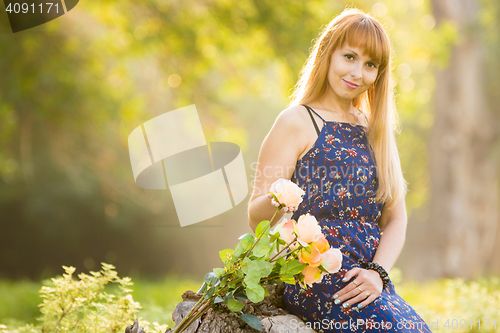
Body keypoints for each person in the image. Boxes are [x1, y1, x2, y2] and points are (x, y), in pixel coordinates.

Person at [247, 6, 432, 333]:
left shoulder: (375, 130)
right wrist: (280, 198)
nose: (358, 73)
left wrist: (378, 273)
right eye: (349, 57)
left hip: (367, 282)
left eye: (370, 64)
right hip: (316, 277)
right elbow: (256, 219)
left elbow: (395, 218)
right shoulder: (296, 122)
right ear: (328, 53)